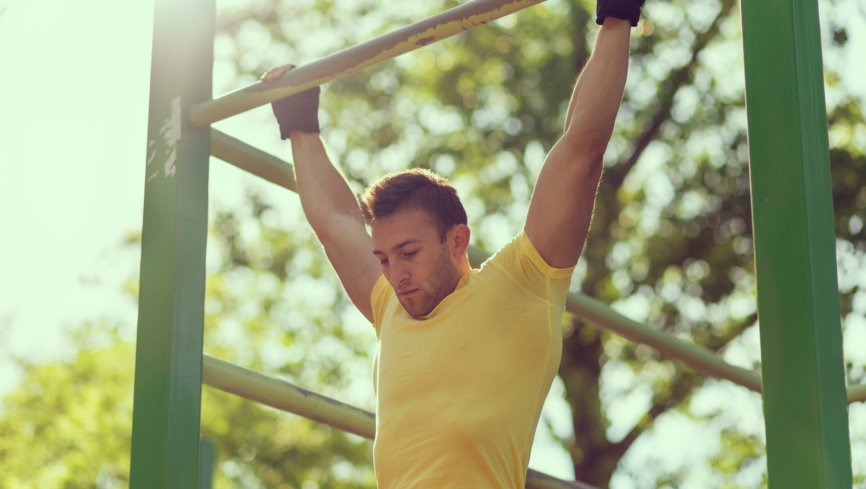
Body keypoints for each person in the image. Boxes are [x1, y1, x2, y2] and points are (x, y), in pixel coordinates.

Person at [262, 1, 642, 486]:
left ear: (457, 240)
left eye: (409, 252)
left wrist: (616, 17)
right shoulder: (390, 305)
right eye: (383, 257)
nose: (395, 273)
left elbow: (581, 149)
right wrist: (298, 121)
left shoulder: (521, 286)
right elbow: (335, 218)